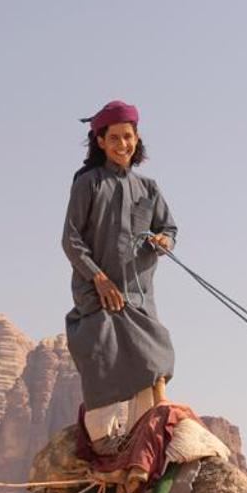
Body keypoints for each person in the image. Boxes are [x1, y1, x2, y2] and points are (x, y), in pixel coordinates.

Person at [61, 99, 179, 450]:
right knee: (104, 366)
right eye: (114, 138)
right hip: (97, 296)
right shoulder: (88, 184)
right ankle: (104, 447)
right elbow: (70, 238)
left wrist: (164, 241)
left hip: (139, 296)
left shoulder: (149, 188)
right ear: (100, 141)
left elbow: (168, 227)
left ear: (136, 137)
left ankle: (150, 446)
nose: (122, 145)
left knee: (155, 360)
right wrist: (99, 279)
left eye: (127, 137)